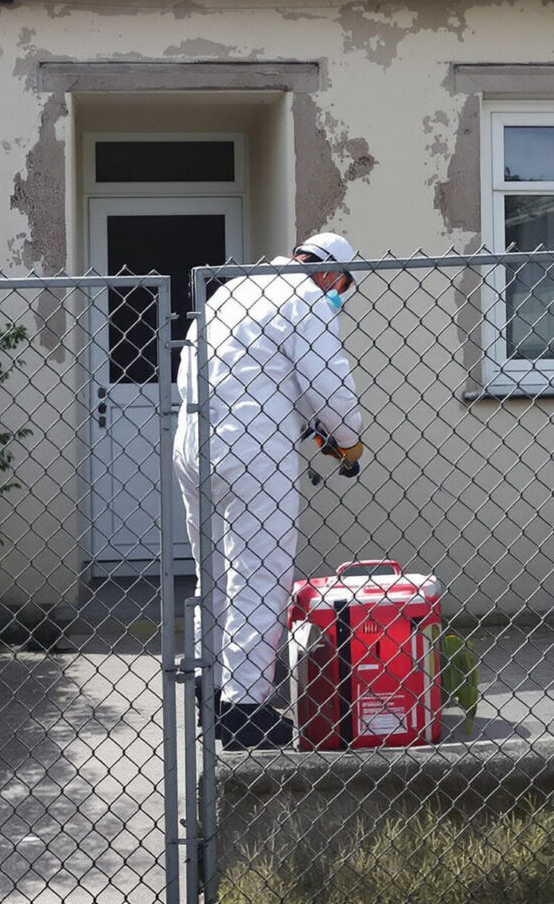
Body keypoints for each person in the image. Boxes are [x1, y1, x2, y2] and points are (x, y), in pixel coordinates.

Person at [173, 232, 366, 750]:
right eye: (342, 287)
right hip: (253, 451)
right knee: (262, 577)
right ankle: (243, 712)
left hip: (193, 444)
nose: (338, 296)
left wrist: (306, 423)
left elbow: (232, 371)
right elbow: (330, 387)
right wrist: (349, 443)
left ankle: (208, 691)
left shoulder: (236, 289)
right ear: (331, 273)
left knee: (212, 572)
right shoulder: (307, 299)